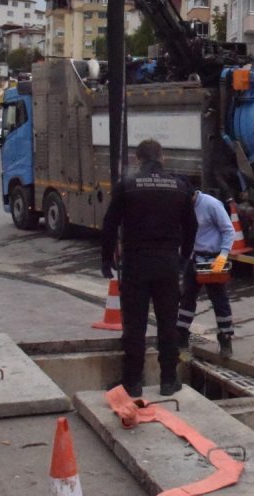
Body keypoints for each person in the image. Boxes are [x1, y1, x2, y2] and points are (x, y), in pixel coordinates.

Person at [101, 138, 197, 397]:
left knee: (135, 324)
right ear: (162, 157)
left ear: (137, 159)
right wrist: (184, 259)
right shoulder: (179, 187)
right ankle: (168, 380)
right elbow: (192, 227)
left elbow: (109, 224)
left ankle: (133, 382)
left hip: (136, 264)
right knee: (167, 323)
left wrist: (106, 259)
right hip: (167, 263)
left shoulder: (128, 186)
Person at [176, 189, 237, 358]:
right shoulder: (185, 206)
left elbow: (228, 230)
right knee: (187, 297)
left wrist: (223, 255)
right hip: (194, 257)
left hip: (213, 258)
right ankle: (181, 333)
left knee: (219, 299)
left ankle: (225, 337)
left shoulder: (211, 205)